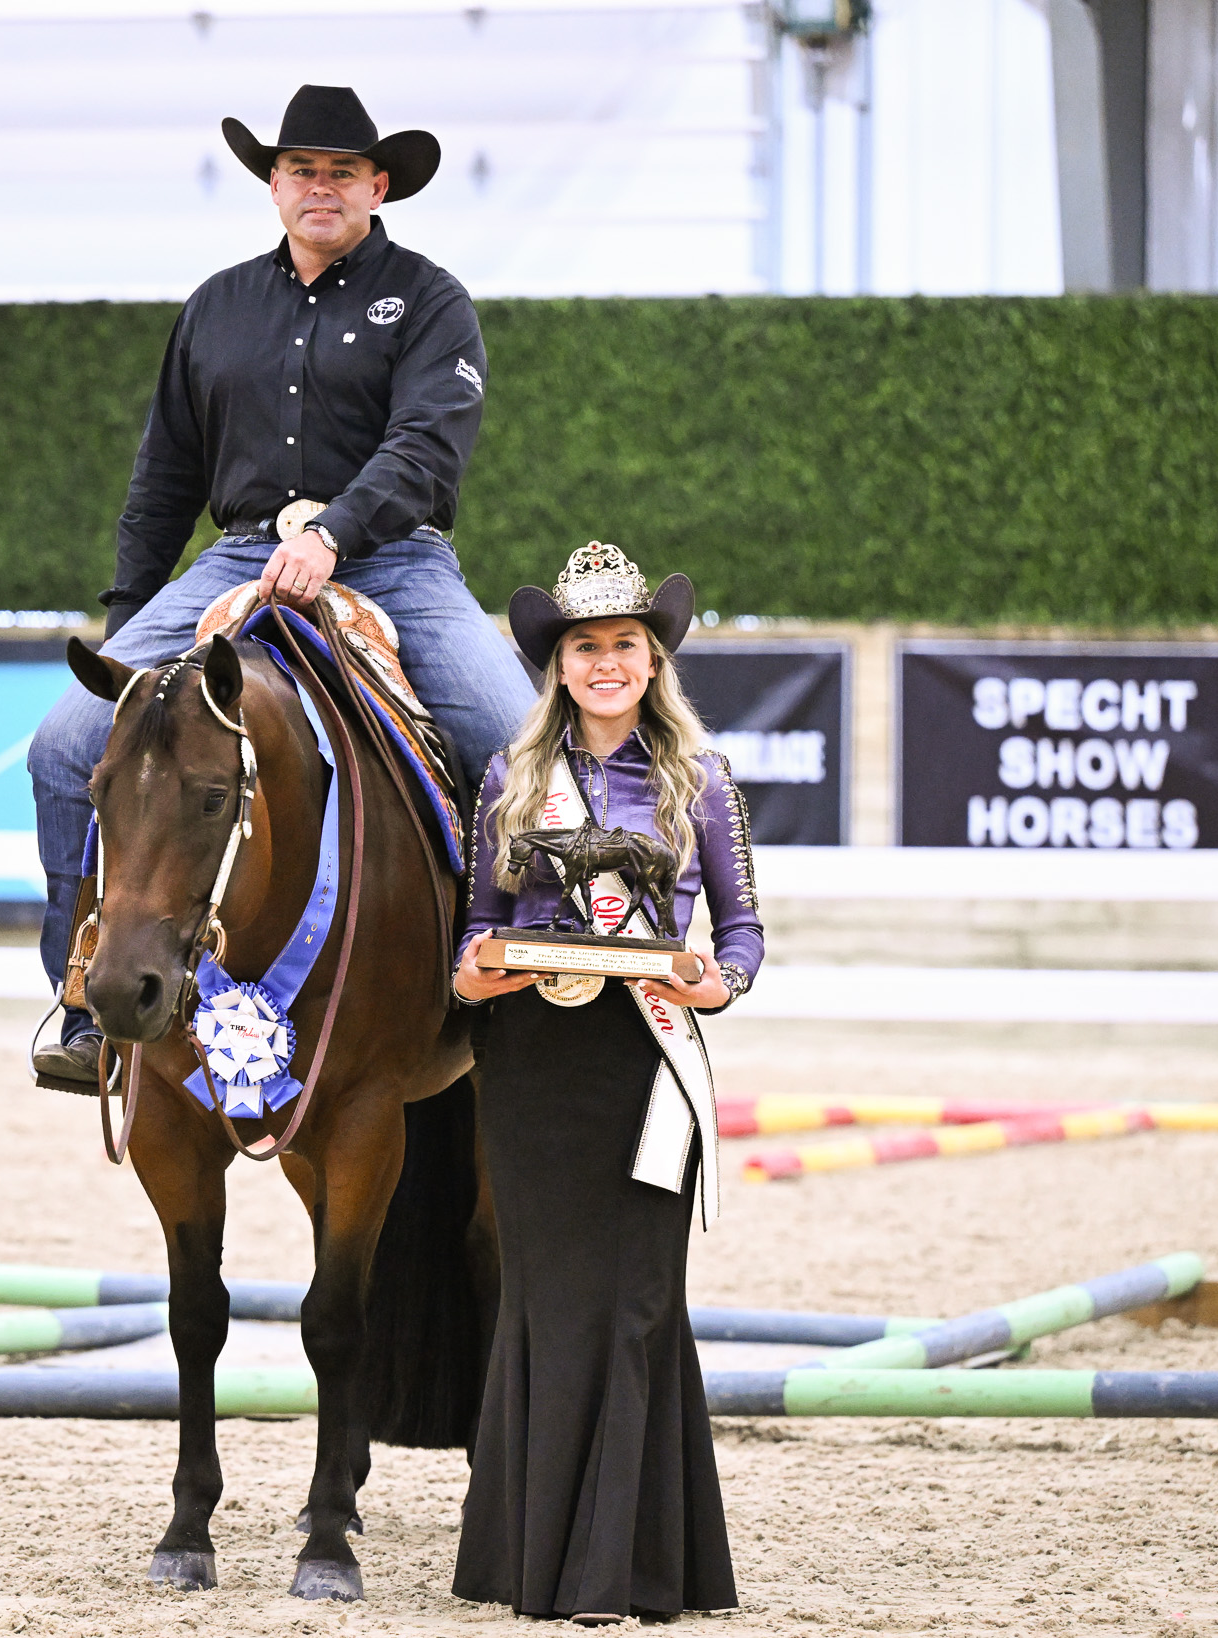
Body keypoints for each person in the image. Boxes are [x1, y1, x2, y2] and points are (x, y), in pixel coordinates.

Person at [28, 84, 536, 1089]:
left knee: (517, 747)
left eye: (341, 171)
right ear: (272, 184)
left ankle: (518, 1001)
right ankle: (84, 994)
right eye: (300, 168)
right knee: (64, 745)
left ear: (377, 185)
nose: (320, 186)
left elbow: (425, 447)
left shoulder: (429, 300)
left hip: (395, 559)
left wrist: (337, 533)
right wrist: (131, 637)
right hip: (235, 555)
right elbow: (165, 476)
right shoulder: (216, 307)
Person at [450, 542, 762, 1625]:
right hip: (535, 1071)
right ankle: (528, 1562)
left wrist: (716, 981)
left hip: (648, 1061)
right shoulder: (508, 780)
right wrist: (477, 969)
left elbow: (745, 933)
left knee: (634, 1305)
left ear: (651, 657)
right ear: (558, 665)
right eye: (584, 647)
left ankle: (616, 1573)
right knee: (545, 1305)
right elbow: (475, 934)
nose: (604, 663)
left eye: (623, 643)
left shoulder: (699, 782)